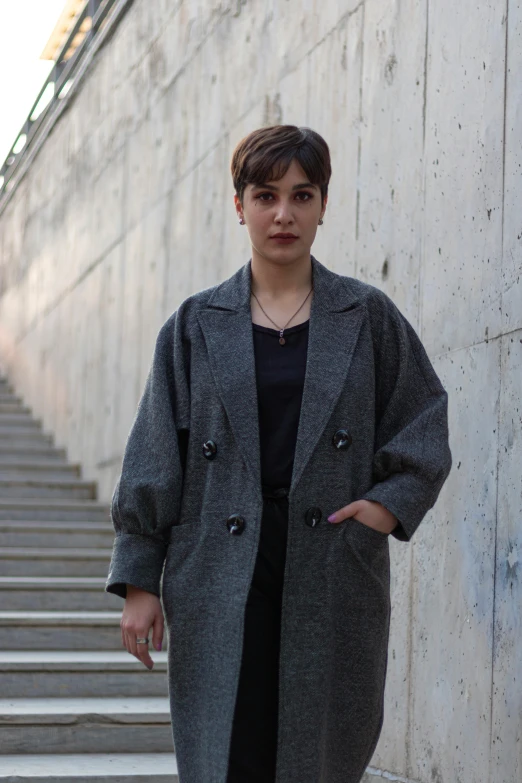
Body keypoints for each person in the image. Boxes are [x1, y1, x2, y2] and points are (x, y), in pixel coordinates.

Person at [106, 125, 452, 783]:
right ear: (240, 205)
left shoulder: (368, 316)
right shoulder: (194, 325)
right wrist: (140, 580)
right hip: (219, 567)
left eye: (302, 194)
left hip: (329, 563)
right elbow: (153, 455)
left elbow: (424, 420)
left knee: (318, 753)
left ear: (324, 203)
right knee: (226, 750)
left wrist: (387, 503)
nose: (284, 213)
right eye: (266, 195)